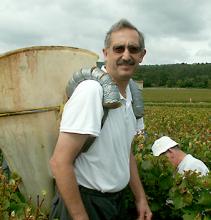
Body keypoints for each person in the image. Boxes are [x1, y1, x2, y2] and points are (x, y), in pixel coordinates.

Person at [49, 19, 152, 220]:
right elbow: (59, 162)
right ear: (105, 53)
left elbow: (126, 151)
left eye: (133, 49)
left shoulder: (132, 93)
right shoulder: (92, 92)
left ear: (142, 55)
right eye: (118, 48)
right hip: (84, 202)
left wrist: (140, 198)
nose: (126, 55)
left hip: (115, 202)